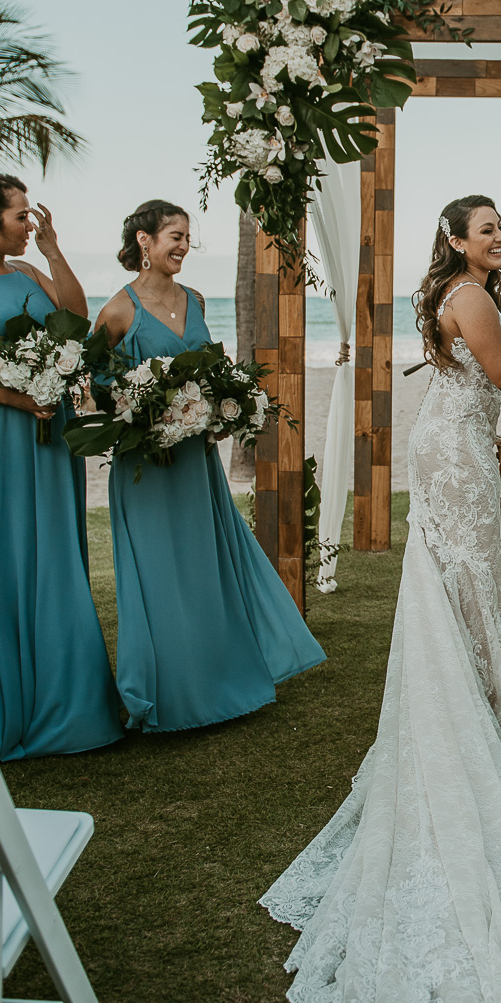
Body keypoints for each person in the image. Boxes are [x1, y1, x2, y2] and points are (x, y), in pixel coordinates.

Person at [262, 195, 501, 1003]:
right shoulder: (473, 295)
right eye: (484, 228)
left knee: (464, 582)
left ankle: (472, 708)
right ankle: (464, 716)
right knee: (463, 580)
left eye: (499, 227)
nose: (498, 237)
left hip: (457, 448)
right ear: (455, 238)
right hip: (454, 455)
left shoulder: (459, 289)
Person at [96, 200, 325, 734]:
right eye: (173, 236)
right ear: (143, 241)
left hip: (197, 461)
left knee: (204, 568)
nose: (182, 246)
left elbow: (212, 375)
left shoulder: (195, 300)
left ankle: (219, 682)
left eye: (186, 237)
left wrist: (222, 413)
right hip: (147, 468)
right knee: (159, 574)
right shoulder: (117, 310)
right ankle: (169, 696)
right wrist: (142, 414)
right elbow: (96, 388)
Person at [0, 175, 123, 760]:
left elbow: (75, 314)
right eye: (22, 217)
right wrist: (13, 397)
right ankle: (14, 698)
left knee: (57, 557)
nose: (31, 222)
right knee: (8, 558)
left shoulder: (27, 273)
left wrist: (52, 250)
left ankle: (75, 703)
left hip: (49, 433)